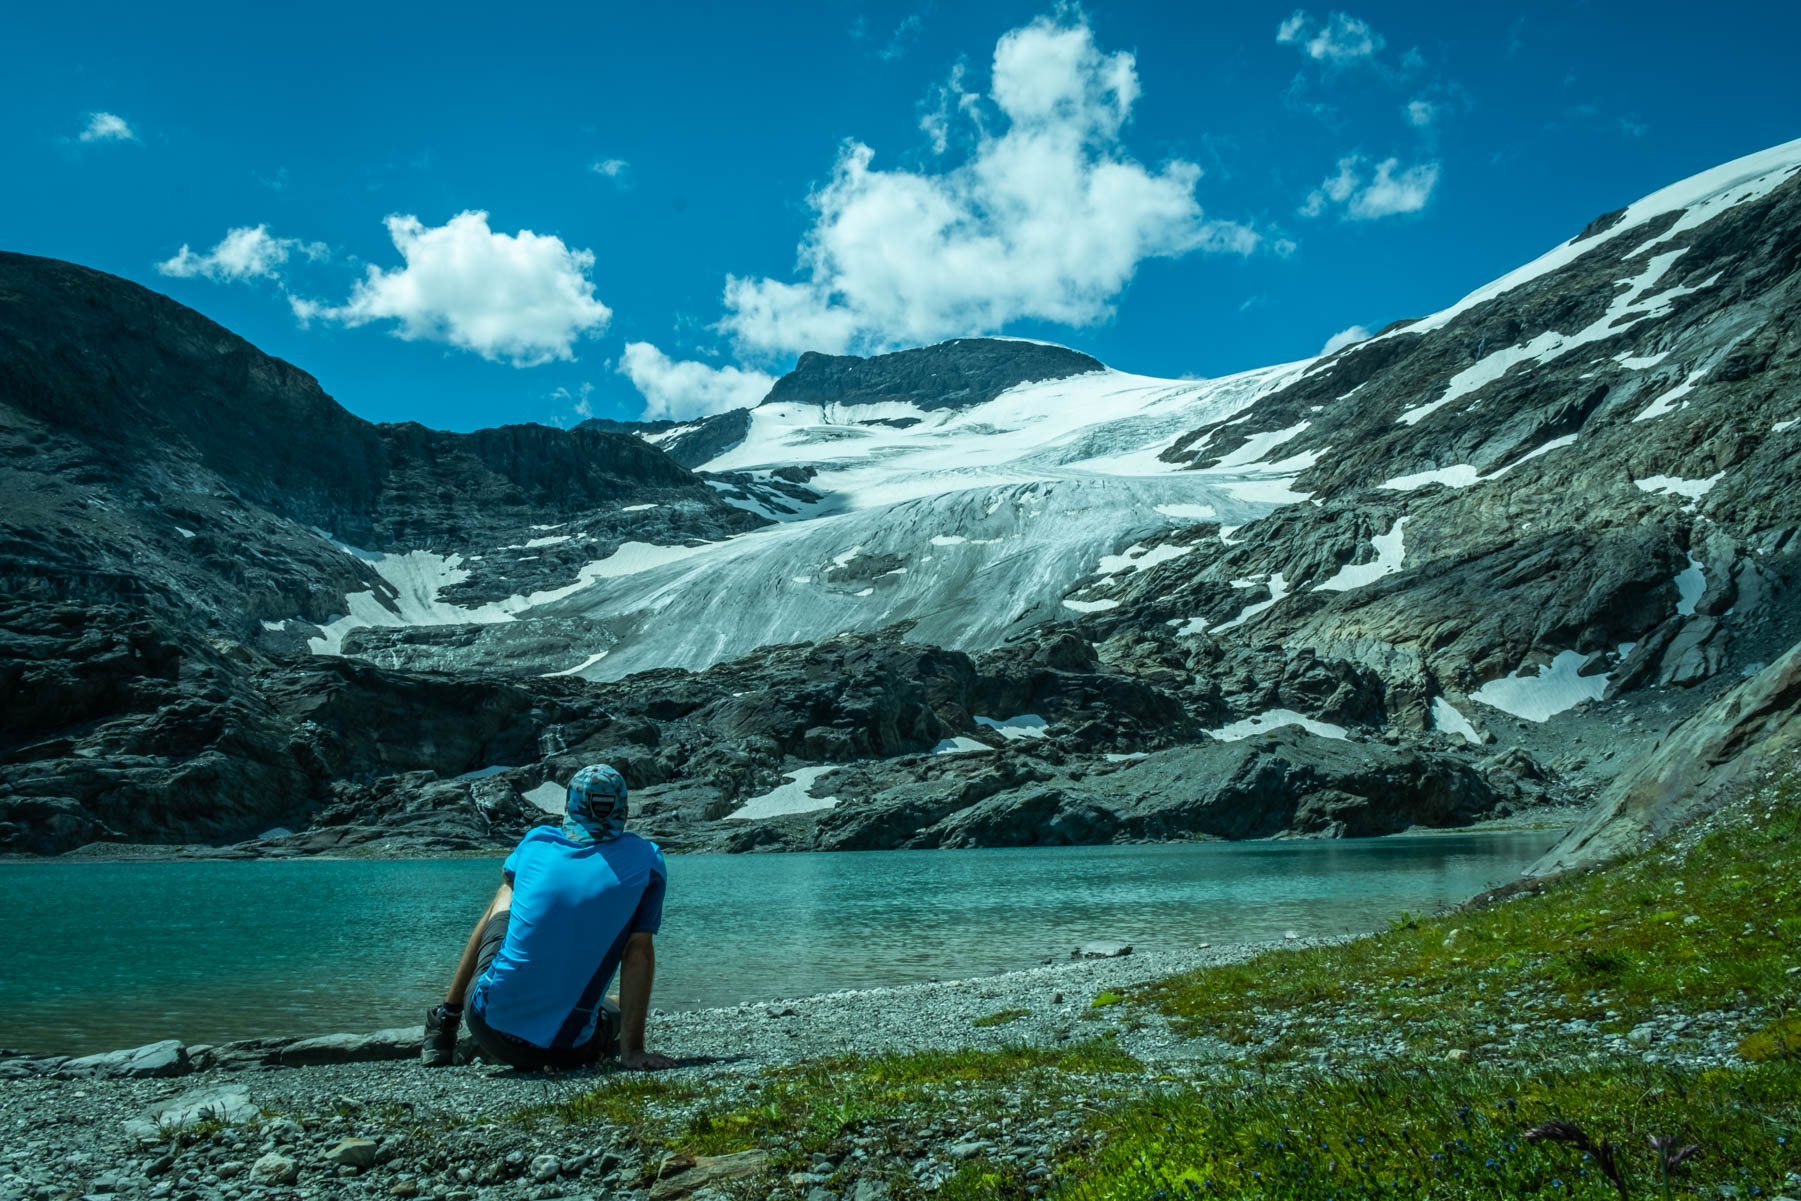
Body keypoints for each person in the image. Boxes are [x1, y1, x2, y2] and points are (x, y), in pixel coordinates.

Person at [421, 764, 676, 1072]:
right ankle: (611, 1042)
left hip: (486, 1024)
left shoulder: (537, 841)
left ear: (569, 806)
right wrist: (633, 1051)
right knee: (614, 1003)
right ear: (624, 810)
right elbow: (638, 951)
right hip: (567, 1049)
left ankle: (444, 1024)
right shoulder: (647, 858)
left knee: (507, 892)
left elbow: (510, 876)